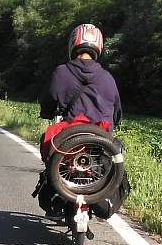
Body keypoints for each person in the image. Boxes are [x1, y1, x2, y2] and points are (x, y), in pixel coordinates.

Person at [35, 24, 123, 216]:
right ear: (98, 47)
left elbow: (48, 100)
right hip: (101, 142)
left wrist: (47, 112)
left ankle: (57, 193)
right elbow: (117, 113)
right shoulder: (108, 78)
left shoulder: (61, 72)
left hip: (70, 140)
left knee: (50, 148)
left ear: (73, 44)